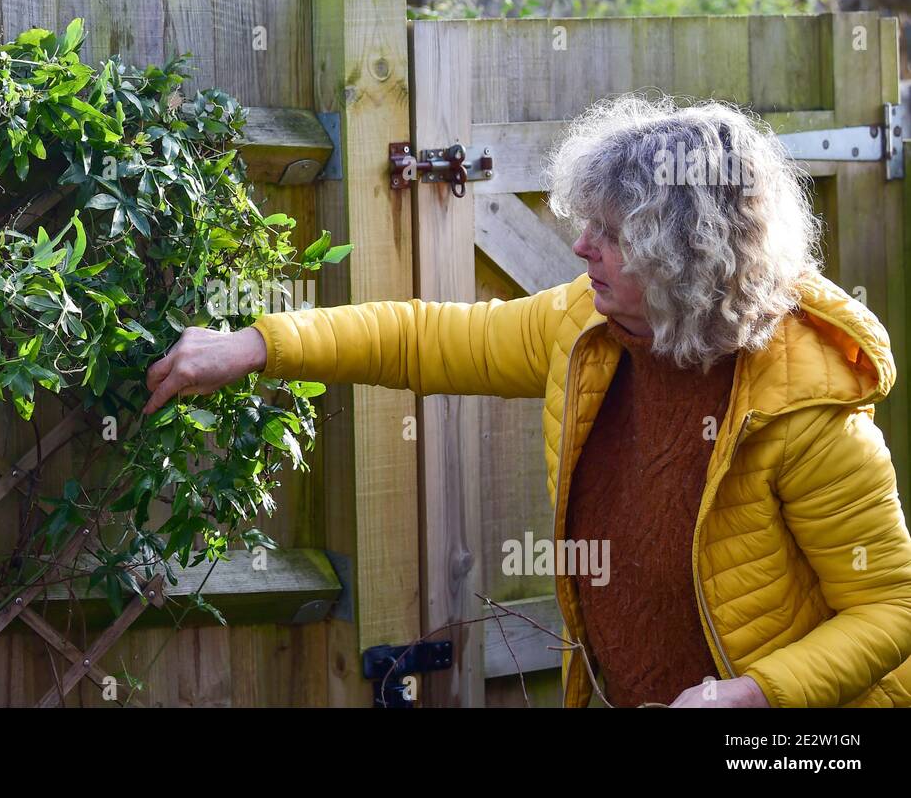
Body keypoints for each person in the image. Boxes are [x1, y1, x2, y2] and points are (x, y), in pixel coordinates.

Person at [143, 94, 911, 708]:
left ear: (685, 255)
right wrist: (258, 344)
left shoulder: (808, 413)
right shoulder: (585, 326)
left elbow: (891, 612)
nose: (582, 249)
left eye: (609, 234)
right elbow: (421, 339)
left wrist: (750, 696)